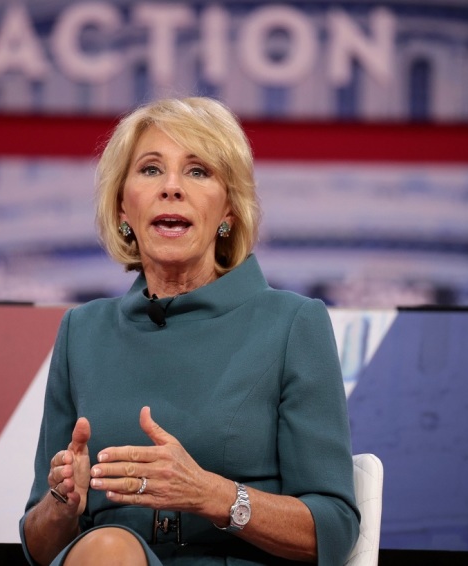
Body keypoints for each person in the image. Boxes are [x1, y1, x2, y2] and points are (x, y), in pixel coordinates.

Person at [19, 96, 359, 565]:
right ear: (122, 206)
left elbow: (334, 528)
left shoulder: (291, 325)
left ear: (228, 213)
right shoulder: (82, 331)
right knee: (107, 548)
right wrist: (62, 505)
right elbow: (38, 547)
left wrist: (213, 496)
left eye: (198, 171)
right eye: (151, 169)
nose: (172, 187)